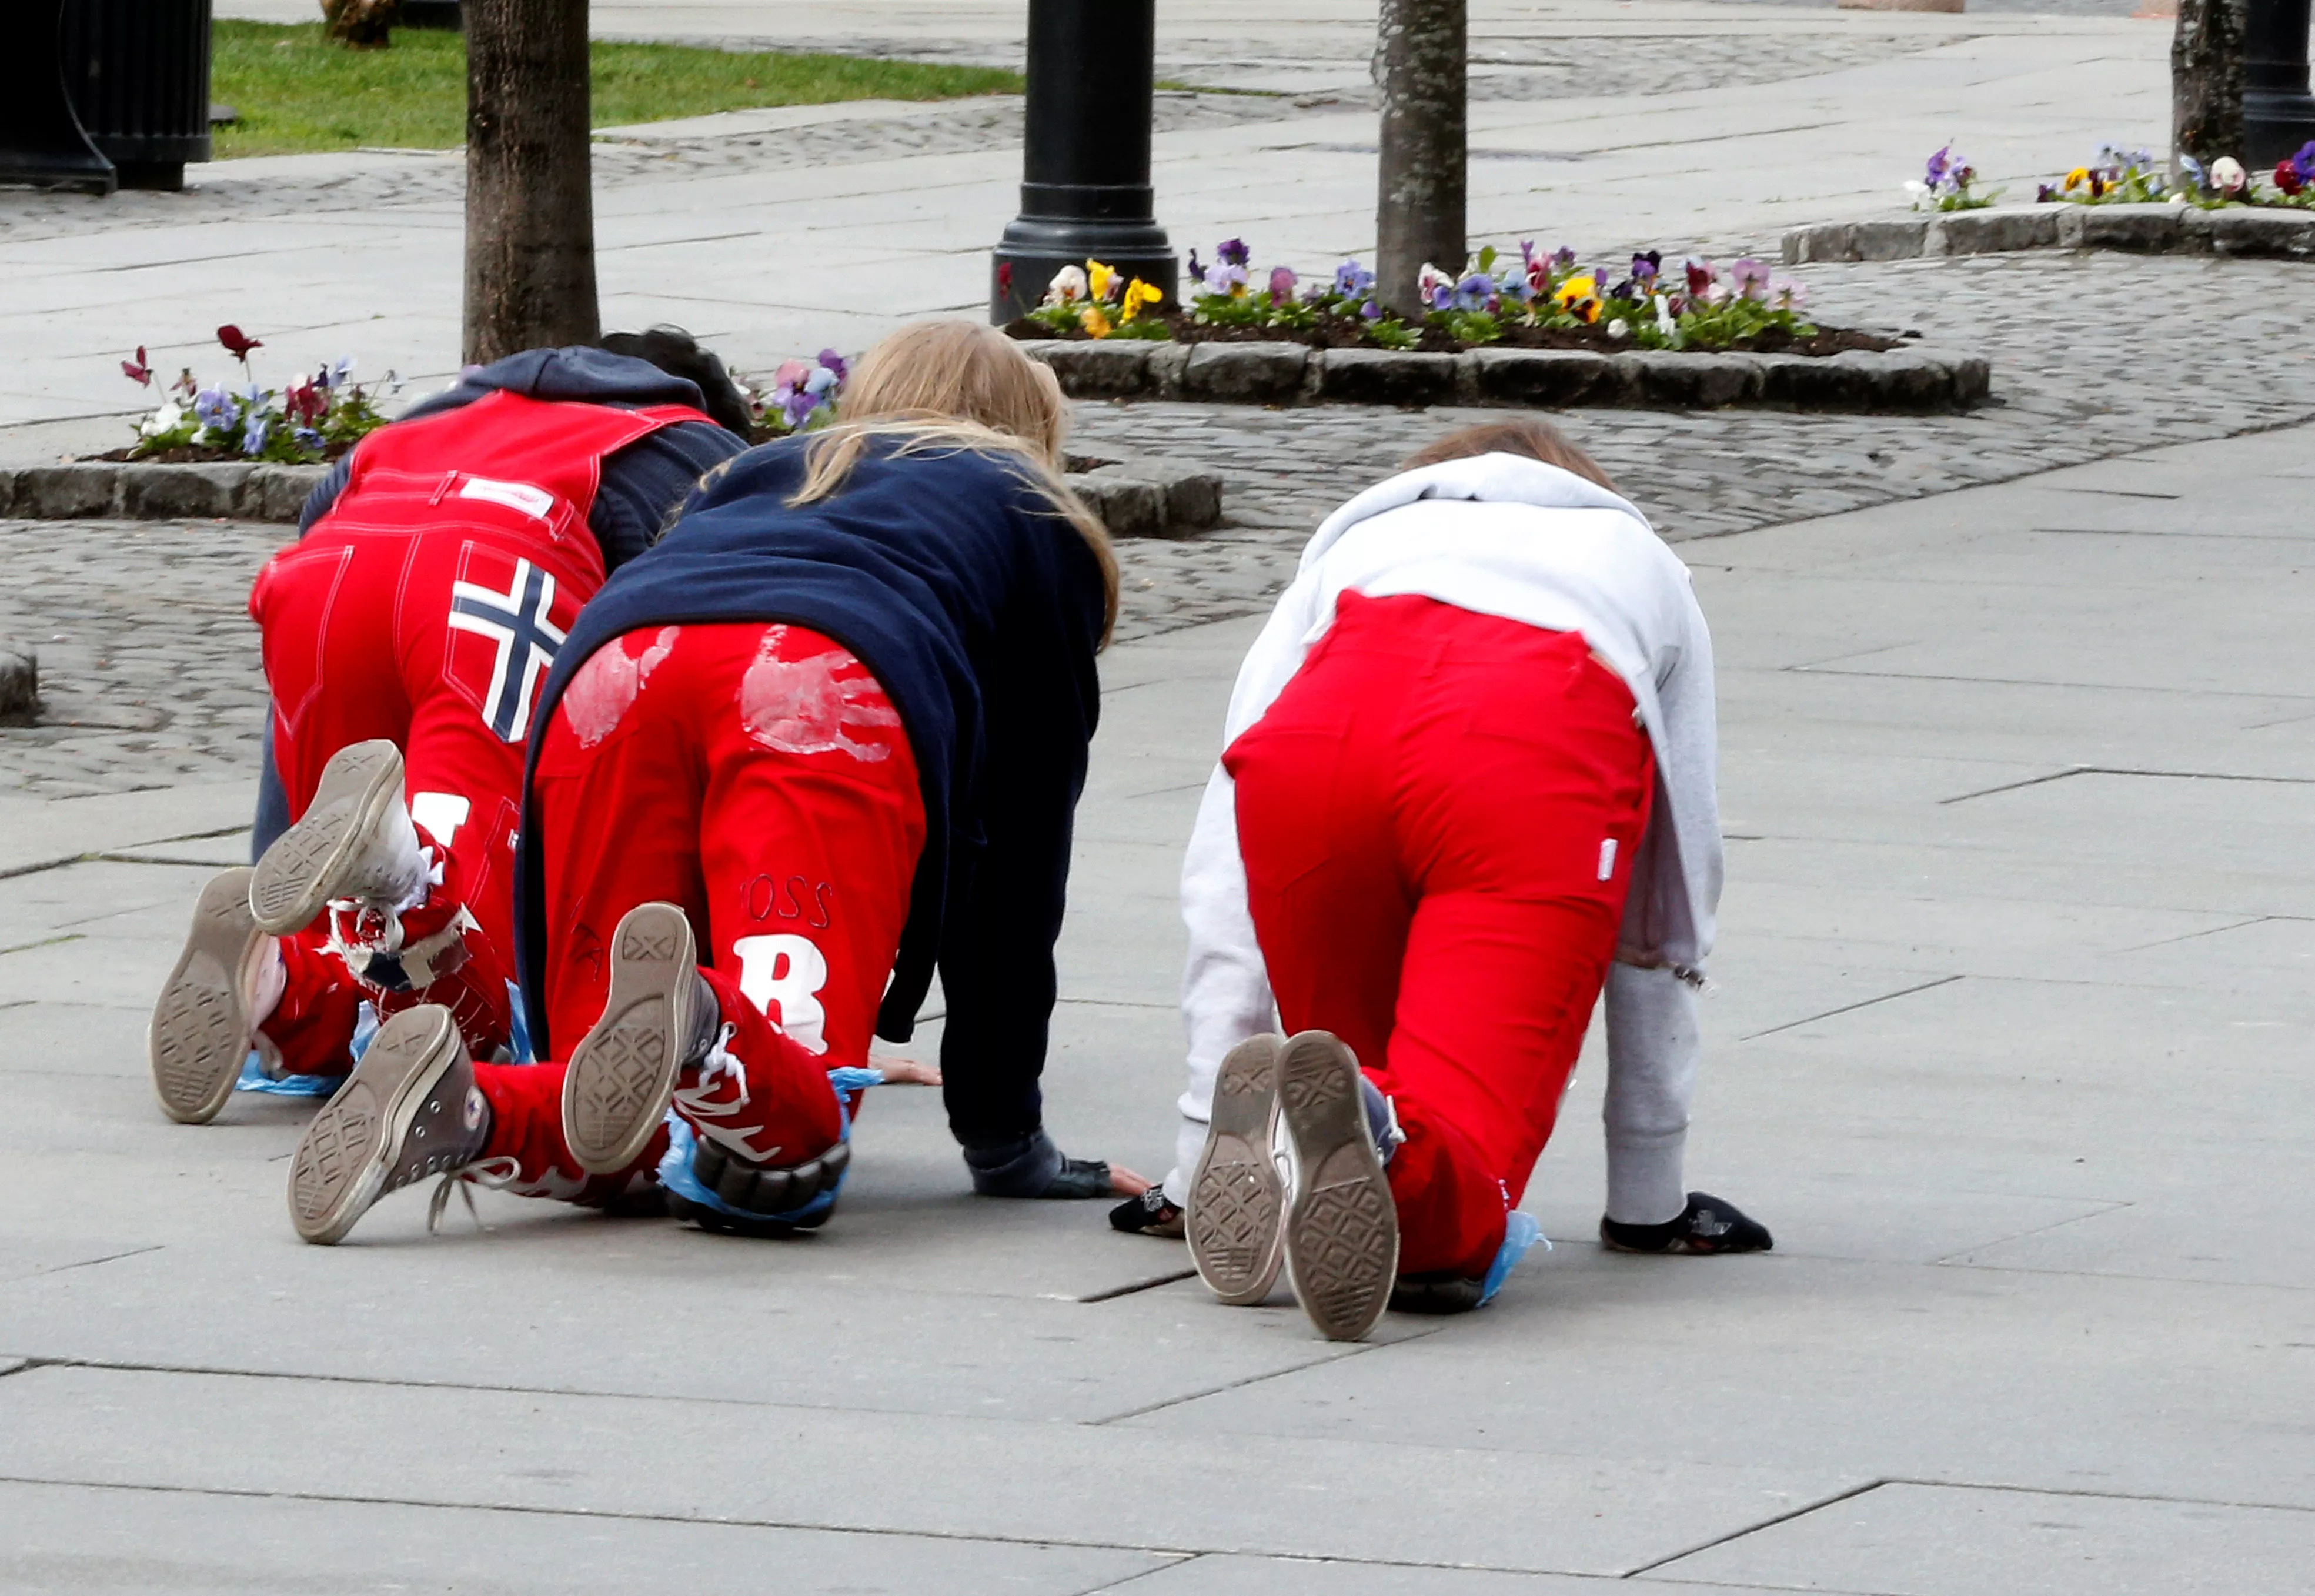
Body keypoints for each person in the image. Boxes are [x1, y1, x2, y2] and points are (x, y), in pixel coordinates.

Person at [282, 319, 1149, 1244]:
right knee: (791, 1143)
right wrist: (1004, 1134)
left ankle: (456, 1082)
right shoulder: (1030, 507)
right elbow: (1022, 852)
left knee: (610, 1112)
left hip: (613, 670)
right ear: (1029, 426)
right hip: (812, 685)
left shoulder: (753, 469)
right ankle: (702, 1021)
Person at [1118, 419, 1769, 1341]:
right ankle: (1390, 1146)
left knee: (1340, 1069)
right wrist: (1648, 1194)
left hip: (1317, 759)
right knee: (1458, 1185)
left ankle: (1307, 1140)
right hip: (1524, 757)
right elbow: (1672, 879)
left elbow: (1227, 856)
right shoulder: (1643, 563)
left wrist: (1191, 1162)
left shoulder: (1358, 545)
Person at [146, 330, 750, 1128]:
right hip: (492, 582)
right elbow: (698, 706)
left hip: (324, 583)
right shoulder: (696, 451)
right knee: (459, 925)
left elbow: (320, 537)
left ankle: (279, 976)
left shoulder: (417, 426)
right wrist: (733, 995)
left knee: (342, 899)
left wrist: (272, 884)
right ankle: (413, 945)